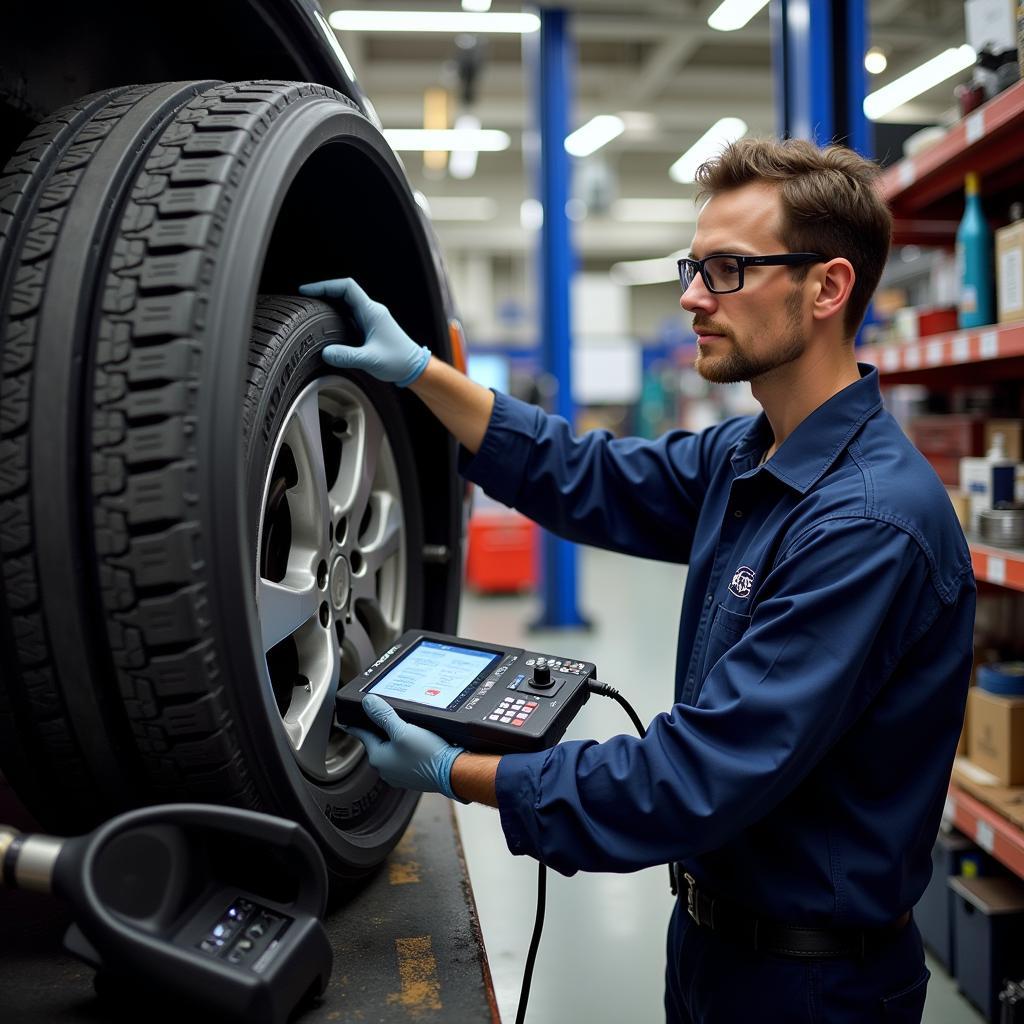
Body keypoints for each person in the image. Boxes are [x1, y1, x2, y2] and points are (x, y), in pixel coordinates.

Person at [298, 137, 975, 1023]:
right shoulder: (750, 451)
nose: (692, 295)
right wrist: (425, 374)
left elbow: (694, 779)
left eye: (727, 269)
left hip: (810, 988)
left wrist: (457, 770)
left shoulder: (866, 525)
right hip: (709, 947)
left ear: (827, 288)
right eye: (694, 265)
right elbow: (592, 475)